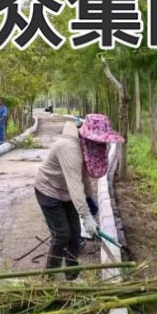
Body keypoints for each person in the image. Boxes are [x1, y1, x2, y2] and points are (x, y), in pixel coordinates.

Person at [32, 113, 124, 278]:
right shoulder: (69, 148)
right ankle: (49, 278)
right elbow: (75, 186)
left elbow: (84, 176)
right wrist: (87, 216)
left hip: (66, 192)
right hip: (48, 190)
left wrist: (90, 197)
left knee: (75, 235)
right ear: (87, 136)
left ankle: (72, 275)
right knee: (62, 235)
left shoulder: (85, 146)